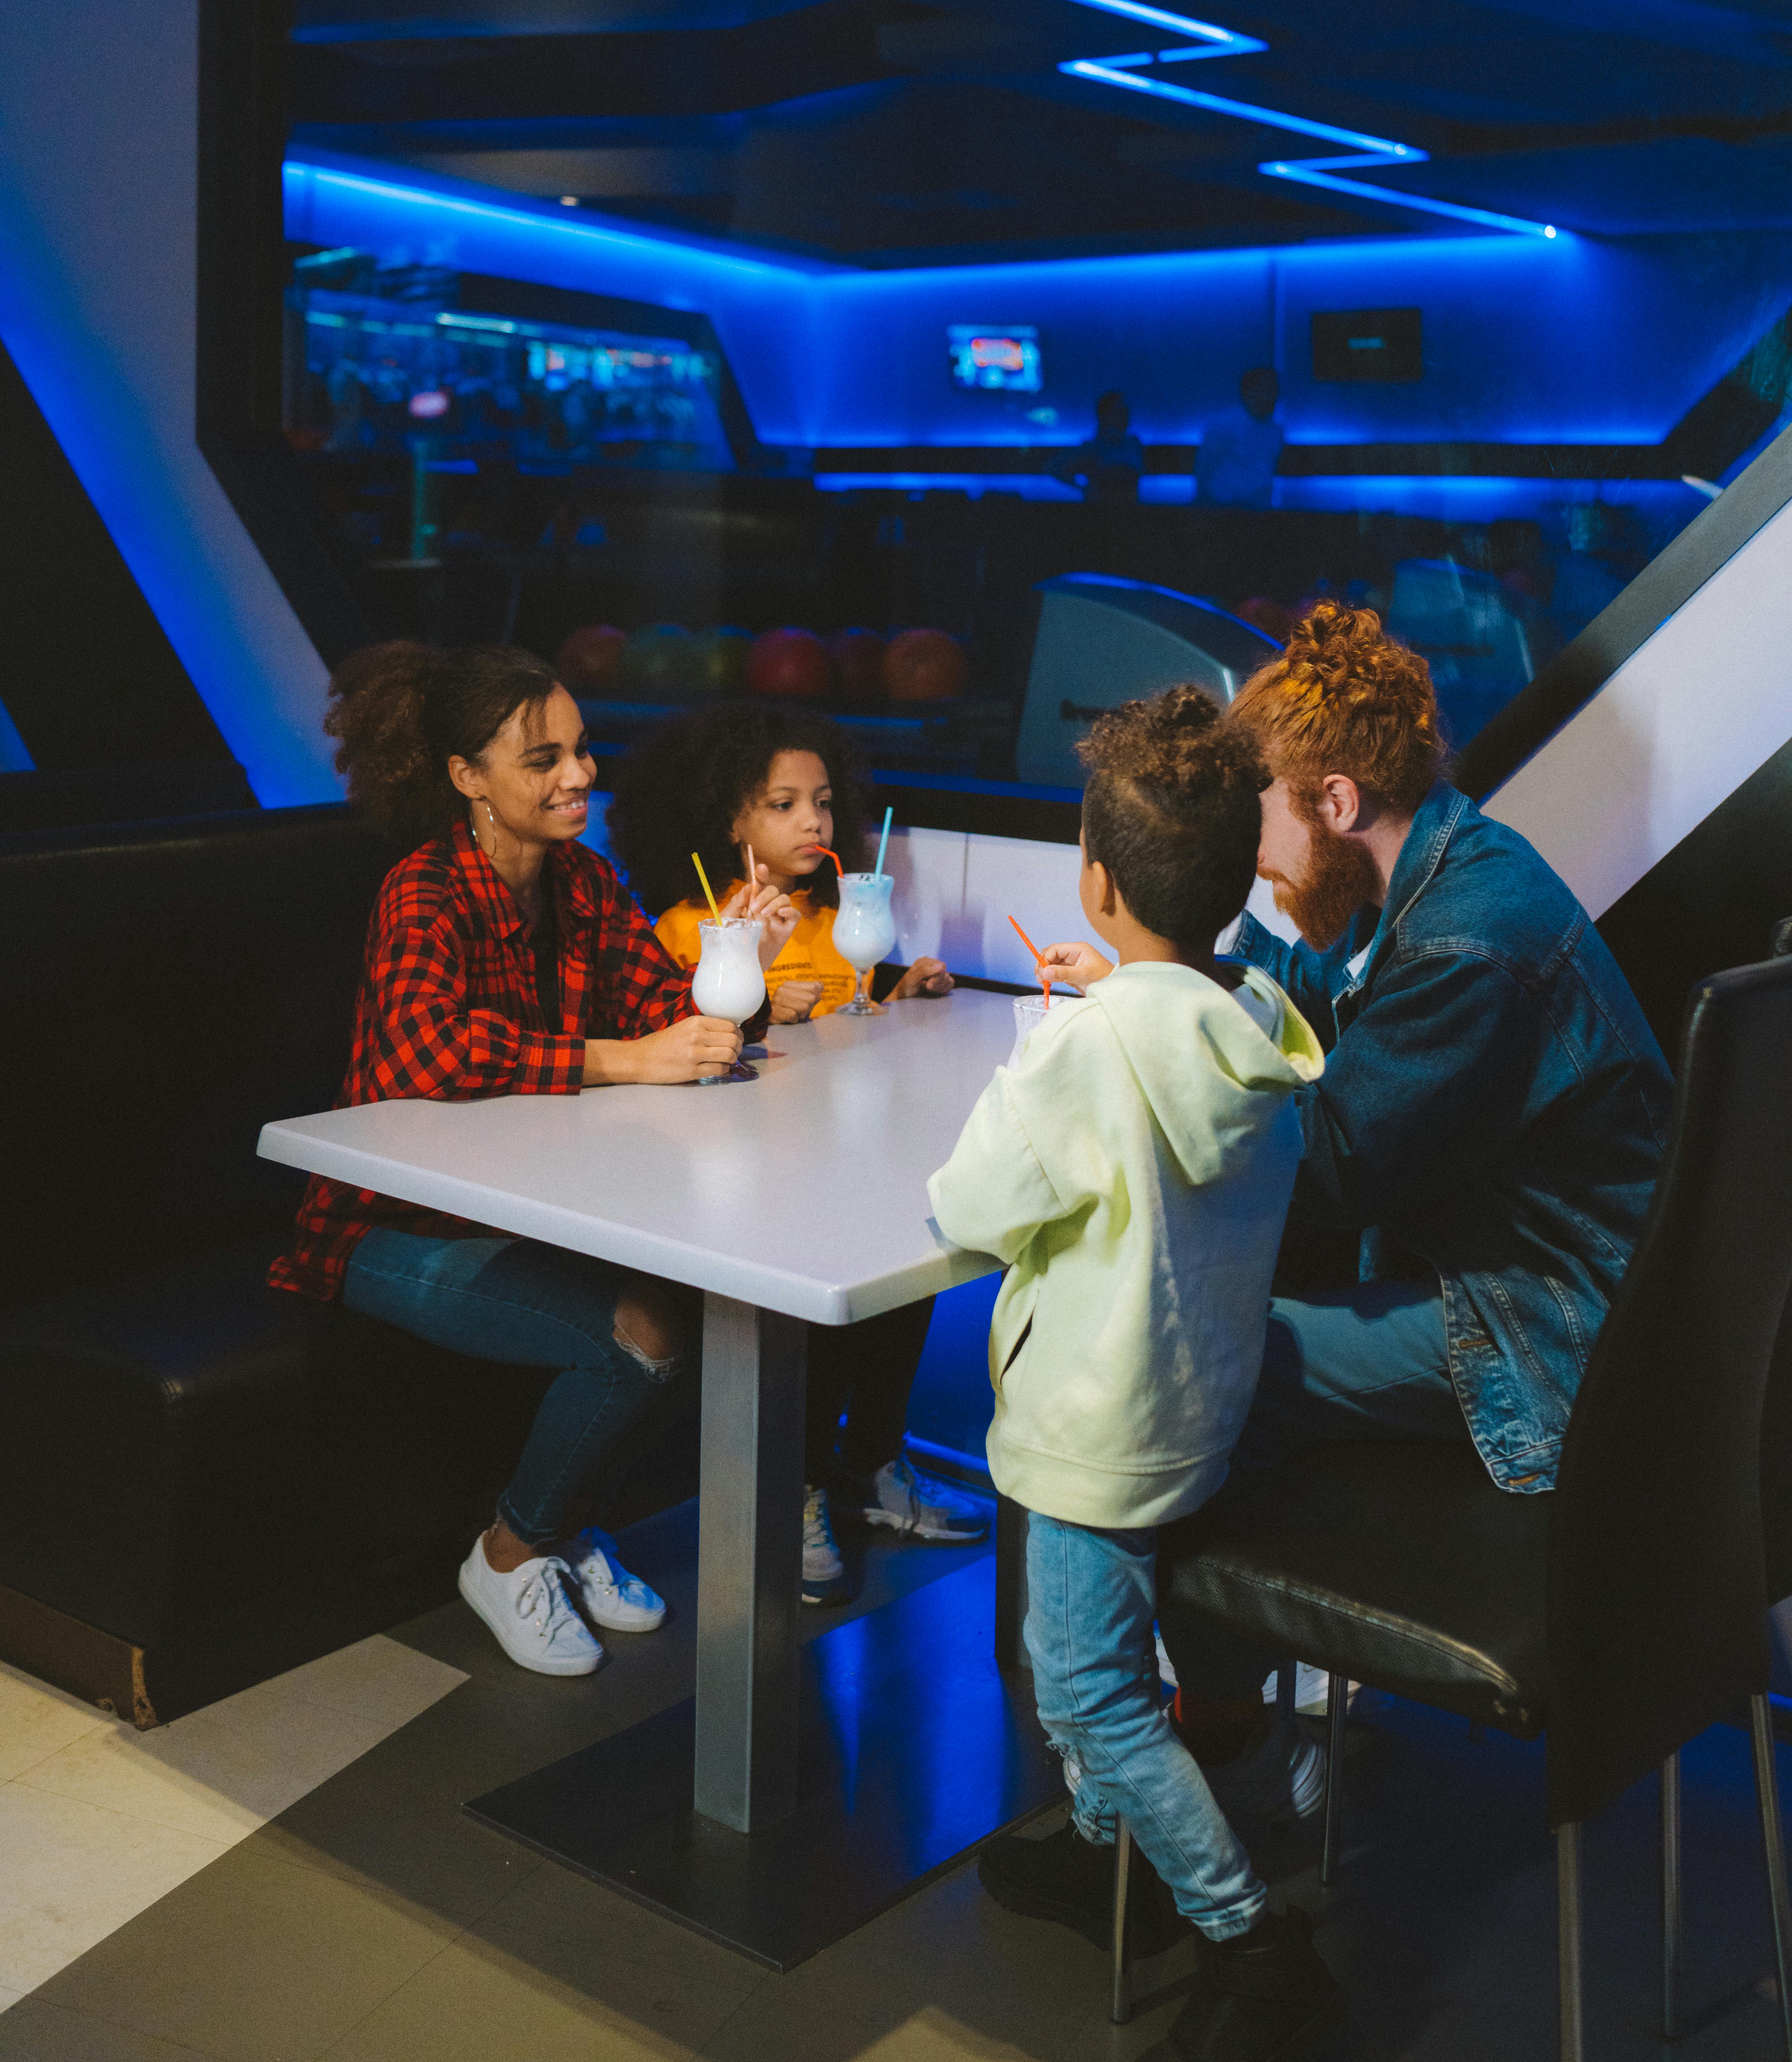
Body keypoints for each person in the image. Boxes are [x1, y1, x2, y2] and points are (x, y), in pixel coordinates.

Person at [1045, 603, 1672, 1827]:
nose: (1252, 857)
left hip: (1546, 1343)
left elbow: (1324, 1170)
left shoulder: (1467, 945)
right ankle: (1239, 1709)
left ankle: (1209, 1738)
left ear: (1333, 799)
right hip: (1584, 1306)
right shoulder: (1453, 864)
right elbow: (1334, 991)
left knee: (1181, 1364)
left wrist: (1146, 1077)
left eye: (1260, 818)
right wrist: (1182, 970)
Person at [930, 687, 1343, 2062]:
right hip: (1200, 1411)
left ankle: (1239, 1929)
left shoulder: (1086, 1047)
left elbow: (974, 1206)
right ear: (1228, 884)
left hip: (1093, 1438)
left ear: (1094, 882)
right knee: (1087, 1667)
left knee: (1088, 1687)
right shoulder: (1258, 1031)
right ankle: (1117, 1853)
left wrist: (1045, 1051)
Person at [268, 640, 790, 1680]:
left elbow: (661, 1009)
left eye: (582, 751)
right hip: (382, 1224)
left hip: (522, 1210)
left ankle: (561, 1526)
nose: (579, 776)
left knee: (716, 1296)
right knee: (640, 1334)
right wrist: (619, 1060)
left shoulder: (584, 881)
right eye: (542, 758)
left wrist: (737, 965)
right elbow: (427, 1048)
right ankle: (509, 1551)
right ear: (468, 779)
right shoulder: (425, 891)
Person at [606, 702, 983, 1606]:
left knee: (913, 1260)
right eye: (783, 805)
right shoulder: (692, 927)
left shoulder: (830, 916)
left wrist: (900, 983)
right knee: (819, 1290)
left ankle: (870, 1463)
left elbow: (856, 993)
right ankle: (801, 1488)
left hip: (829, 1151)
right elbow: (685, 1032)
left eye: (822, 801)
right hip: (738, 1174)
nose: (814, 821)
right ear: (729, 821)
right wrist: (768, 989)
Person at [1196, 366, 1283, 509]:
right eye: (1269, 389)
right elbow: (1204, 468)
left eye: (1276, 389)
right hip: (1223, 509)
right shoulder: (1223, 425)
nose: (1275, 395)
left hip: (1261, 508)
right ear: (1250, 392)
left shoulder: (1276, 431)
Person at [1073, 388, 1147, 503]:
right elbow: (1054, 467)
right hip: (1099, 514)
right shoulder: (1092, 448)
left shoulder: (1134, 445)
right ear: (1104, 417)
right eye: (1120, 413)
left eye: (1126, 413)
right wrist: (1084, 489)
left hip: (1130, 513)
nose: (1126, 419)